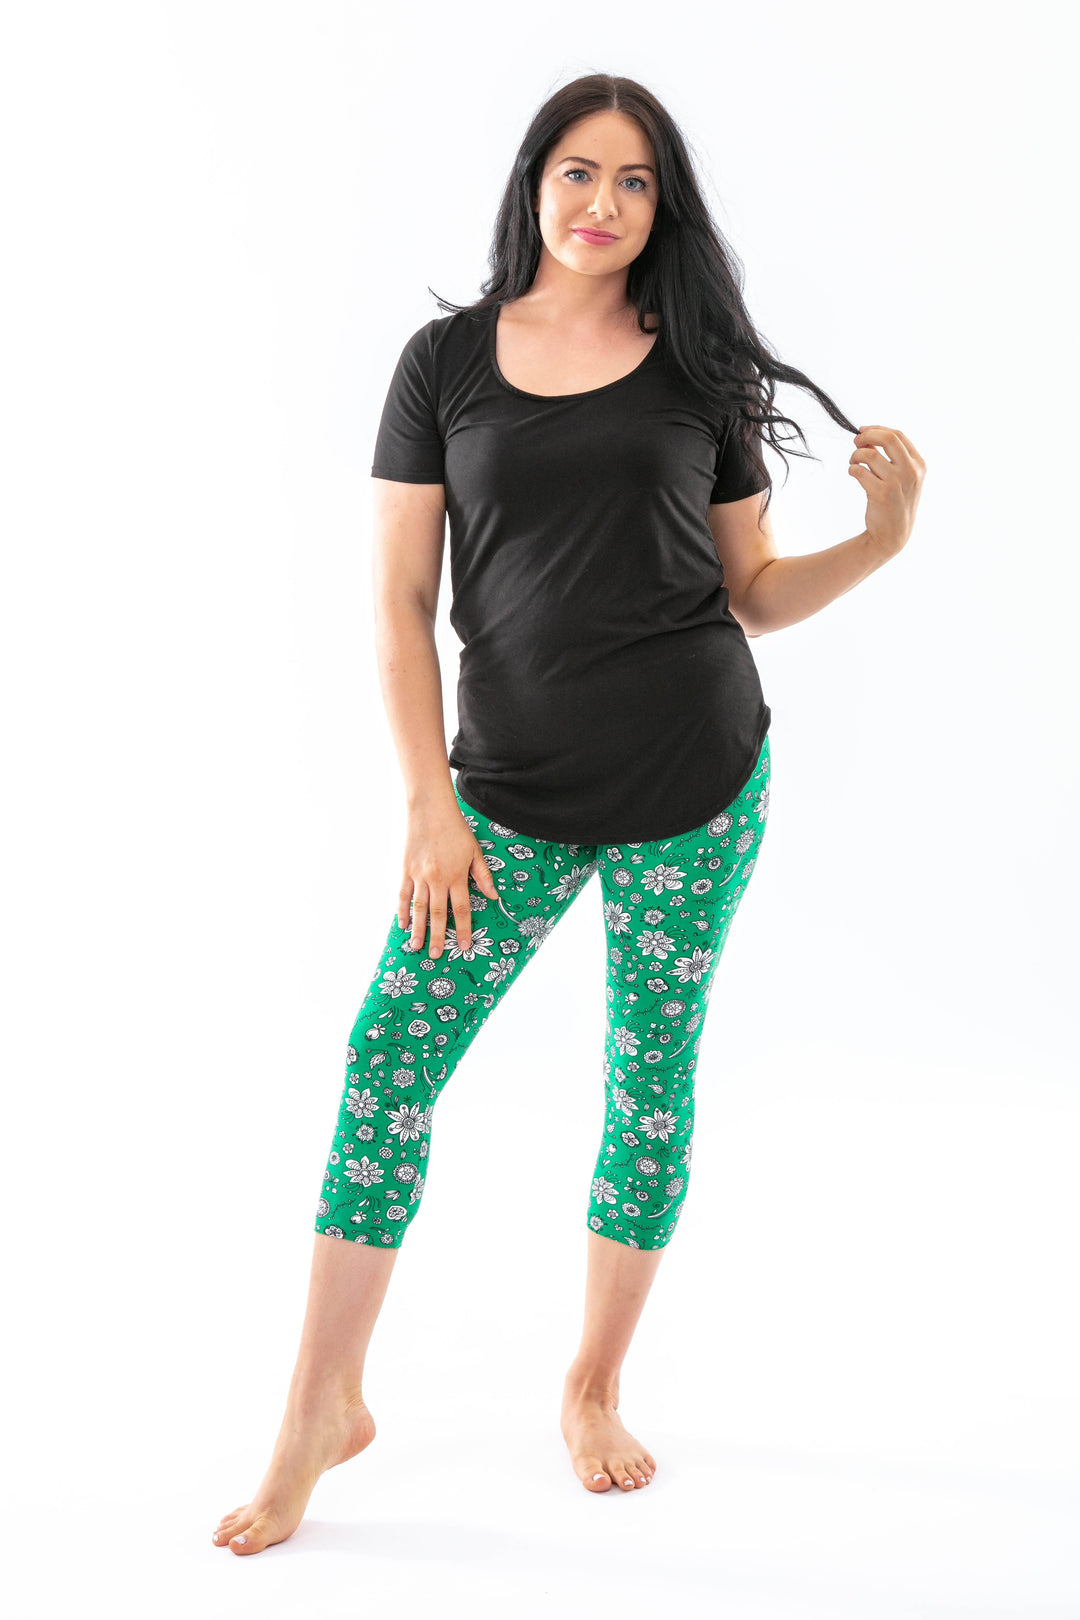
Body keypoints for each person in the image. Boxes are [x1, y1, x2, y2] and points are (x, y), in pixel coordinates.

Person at [213, 73, 924, 1556]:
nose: (604, 203)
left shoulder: (699, 372)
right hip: (507, 799)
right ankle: (319, 1407)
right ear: (534, 182)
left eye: (636, 181)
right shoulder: (444, 362)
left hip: (696, 784)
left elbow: (753, 593)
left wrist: (882, 541)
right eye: (579, 172)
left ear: (664, 208)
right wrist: (430, 805)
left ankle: (593, 1387)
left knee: (646, 1088)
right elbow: (400, 605)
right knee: (386, 1064)